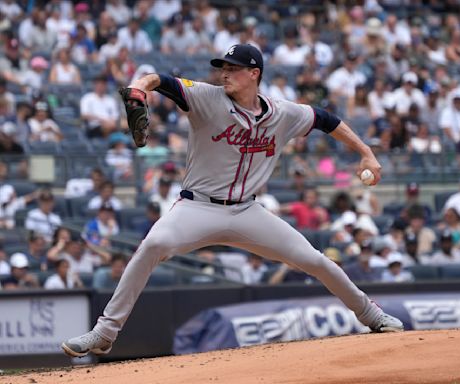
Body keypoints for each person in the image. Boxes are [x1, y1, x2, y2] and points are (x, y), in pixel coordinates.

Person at [62, 43, 403, 358]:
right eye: (222, 67)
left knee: (314, 260)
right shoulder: (207, 97)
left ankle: (370, 314)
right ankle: (105, 333)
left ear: (254, 73)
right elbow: (160, 80)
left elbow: (327, 120)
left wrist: (367, 153)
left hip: (247, 210)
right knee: (153, 245)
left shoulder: (282, 113)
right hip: (197, 207)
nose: (224, 72)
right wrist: (139, 88)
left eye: (233, 67)